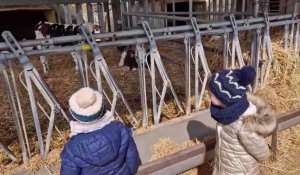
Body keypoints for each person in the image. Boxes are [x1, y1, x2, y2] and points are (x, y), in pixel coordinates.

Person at [209, 66, 277, 175]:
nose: (209, 94)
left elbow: (262, 152)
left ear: (225, 97)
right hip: (225, 165)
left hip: (240, 170)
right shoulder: (225, 114)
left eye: (212, 93)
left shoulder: (243, 125)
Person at [60, 87, 139, 175]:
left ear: (75, 116)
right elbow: (132, 161)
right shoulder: (120, 129)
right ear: (102, 109)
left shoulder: (72, 149)